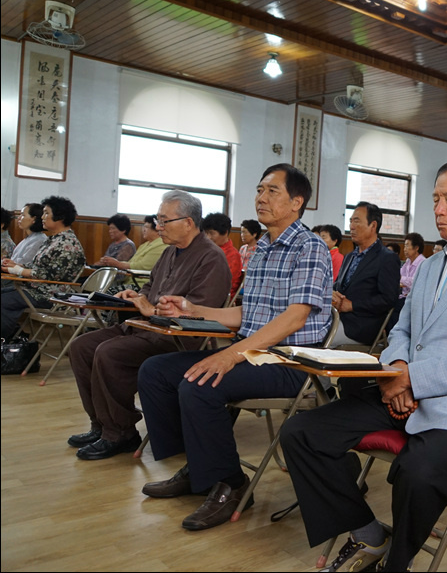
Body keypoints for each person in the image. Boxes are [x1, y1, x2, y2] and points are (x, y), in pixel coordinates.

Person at [280, 160, 447, 572]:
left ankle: (397, 564)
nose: (438, 209)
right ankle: (366, 532)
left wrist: (409, 377)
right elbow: (402, 331)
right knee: (302, 433)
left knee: (418, 474)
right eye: (435, 199)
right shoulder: (430, 265)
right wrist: (396, 365)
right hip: (399, 389)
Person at [136, 163, 333, 531]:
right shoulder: (261, 249)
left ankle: (232, 484)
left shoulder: (310, 248)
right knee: (156, 372)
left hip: (290, 363)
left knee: (199, 382)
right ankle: (200, 466)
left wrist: (230, 355)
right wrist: (195, 309)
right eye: (260, 190)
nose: (261, 197)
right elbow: (248, 314)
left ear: (296, 202)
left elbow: (294, 319)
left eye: (272, 191)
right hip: (254, 352)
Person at [67, 191, 231, 460]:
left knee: (109, 353)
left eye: (164, 220)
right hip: (145, 326)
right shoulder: (169, 252)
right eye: (158, 219)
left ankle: (120, 432)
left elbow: (200, 316)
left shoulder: (211, 259)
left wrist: (152, 309)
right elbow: (149, 287)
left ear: (188, 222)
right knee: (81, 347)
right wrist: (137, 297)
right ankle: (101, 424)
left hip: (175, 338)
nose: (159, 226)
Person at [1, 196, 85, 340]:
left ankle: (6, 343)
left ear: (59, 217)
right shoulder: (55, 239)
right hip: (35, 288)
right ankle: (10, 340)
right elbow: (37, 266)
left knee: (3, 301)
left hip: (48, 294)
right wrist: (16, 265)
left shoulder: (67, 244)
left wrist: (17, 270)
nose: (42, 217)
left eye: (46, 213)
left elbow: (47, 275)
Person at [332, 202, 400, 347]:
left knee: (315, 336)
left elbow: (388, 299)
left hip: (360, 327)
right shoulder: (350, 257)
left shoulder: (387, 258)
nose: (351, 226)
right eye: (350, 221)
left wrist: (353, 306)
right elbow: (338, 285)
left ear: (373, 226)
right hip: (336, 317)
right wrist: (332, 294)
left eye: (356, 221)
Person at [99, 216, 171, 273]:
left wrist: (118, 264)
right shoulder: (144, 245)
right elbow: (131, 262)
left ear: (157, 230)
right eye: (143, 226)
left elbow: (143, 266)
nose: (143, 230)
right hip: (129, 280)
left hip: (141, 283)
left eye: (146, 227)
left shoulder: (161, 244)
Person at [201, 213, 241, 297]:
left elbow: (223, 284)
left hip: (217, 297)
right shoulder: (207, 250)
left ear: (225, 233)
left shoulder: (233, 255)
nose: (208, 237)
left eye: (212, 233)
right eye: (206, 233)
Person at [8, 203, 46, 268]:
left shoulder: (39, 240)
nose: (19, 218)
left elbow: (25, 264)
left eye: (23, 215)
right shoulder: (28, 238)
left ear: (33, 219)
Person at [399, 232, 425, 300]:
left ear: (416, 248)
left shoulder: (423, 263)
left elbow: (415, 282)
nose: (404, 249)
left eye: (407, 246)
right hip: (404, 296)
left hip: (415, 299)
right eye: (404, 246)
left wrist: (401, 279)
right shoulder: (408, 261)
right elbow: (398, 275)